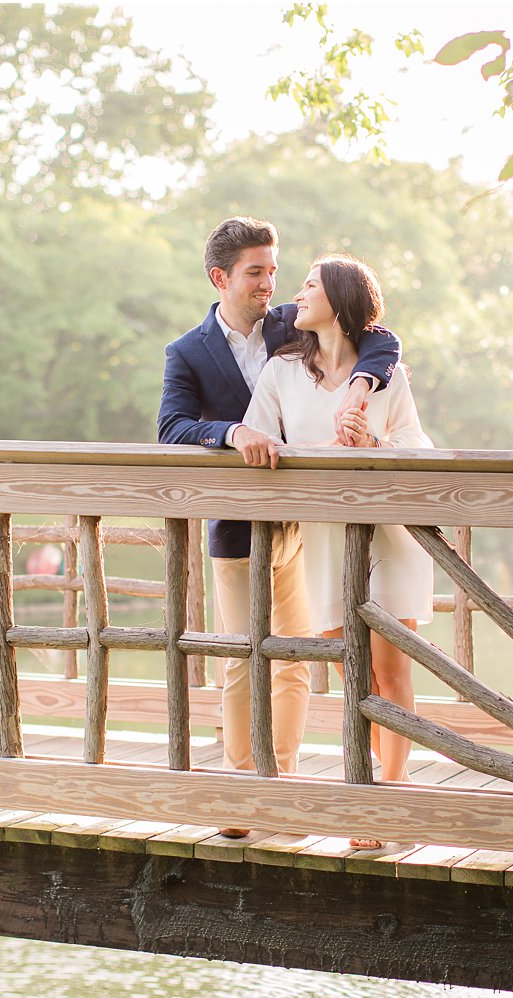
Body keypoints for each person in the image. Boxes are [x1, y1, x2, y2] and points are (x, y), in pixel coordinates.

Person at [158, 218, 401, 839]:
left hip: (302, 523)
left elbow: (379, 338)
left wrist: (363, 386)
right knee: (242, 657)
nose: (271, 284)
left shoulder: (292, 323)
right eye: (256, 273)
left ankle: (283, 784)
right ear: (221, 278)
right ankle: (244, 794)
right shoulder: (187, 352)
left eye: (273, 270)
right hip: (237, 530)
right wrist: (231, 432)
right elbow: (172, 428)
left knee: (293, 659)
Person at [240, 255, 433, 848]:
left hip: (389, 536)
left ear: (340, 300)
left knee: (392, 665)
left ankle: (388, 795)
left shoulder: (385, 374)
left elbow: (417, 447)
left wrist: (372, 442)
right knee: (355, 669)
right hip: (323, 539)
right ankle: (370, 786)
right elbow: (259, 432)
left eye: (310, 286)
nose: (296, 294)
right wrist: (263, 443)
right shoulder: (282, 371)